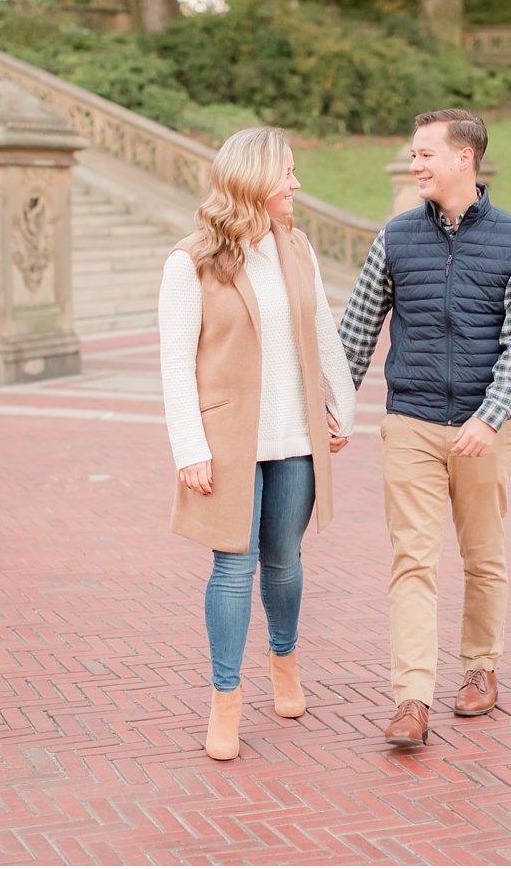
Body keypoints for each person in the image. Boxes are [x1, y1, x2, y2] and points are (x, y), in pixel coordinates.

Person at [337, 108, 511, 747]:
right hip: (411, 423)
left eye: (426, 152)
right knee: (412, 560)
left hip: (485, 430)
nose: (414, 162)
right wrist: (334, 407)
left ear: (465, 158)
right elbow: (355, 332)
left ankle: (481, 668)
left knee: (483, 557)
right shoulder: (395, 237)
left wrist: (491, 415)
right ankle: (412, 699)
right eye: (413, 152)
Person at [158, 127, 355, 762]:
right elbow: (174, 363)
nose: (297, 184)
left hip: (295, 436)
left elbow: (323, 329)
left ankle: (285, 661)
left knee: (285, 564)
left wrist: (341, 406)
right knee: (232, 569)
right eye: (287, 173)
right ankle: (225, 699)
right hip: (228, 442)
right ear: (254, 181)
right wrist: (190, 446)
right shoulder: (190, 261)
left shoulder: (297, 247)